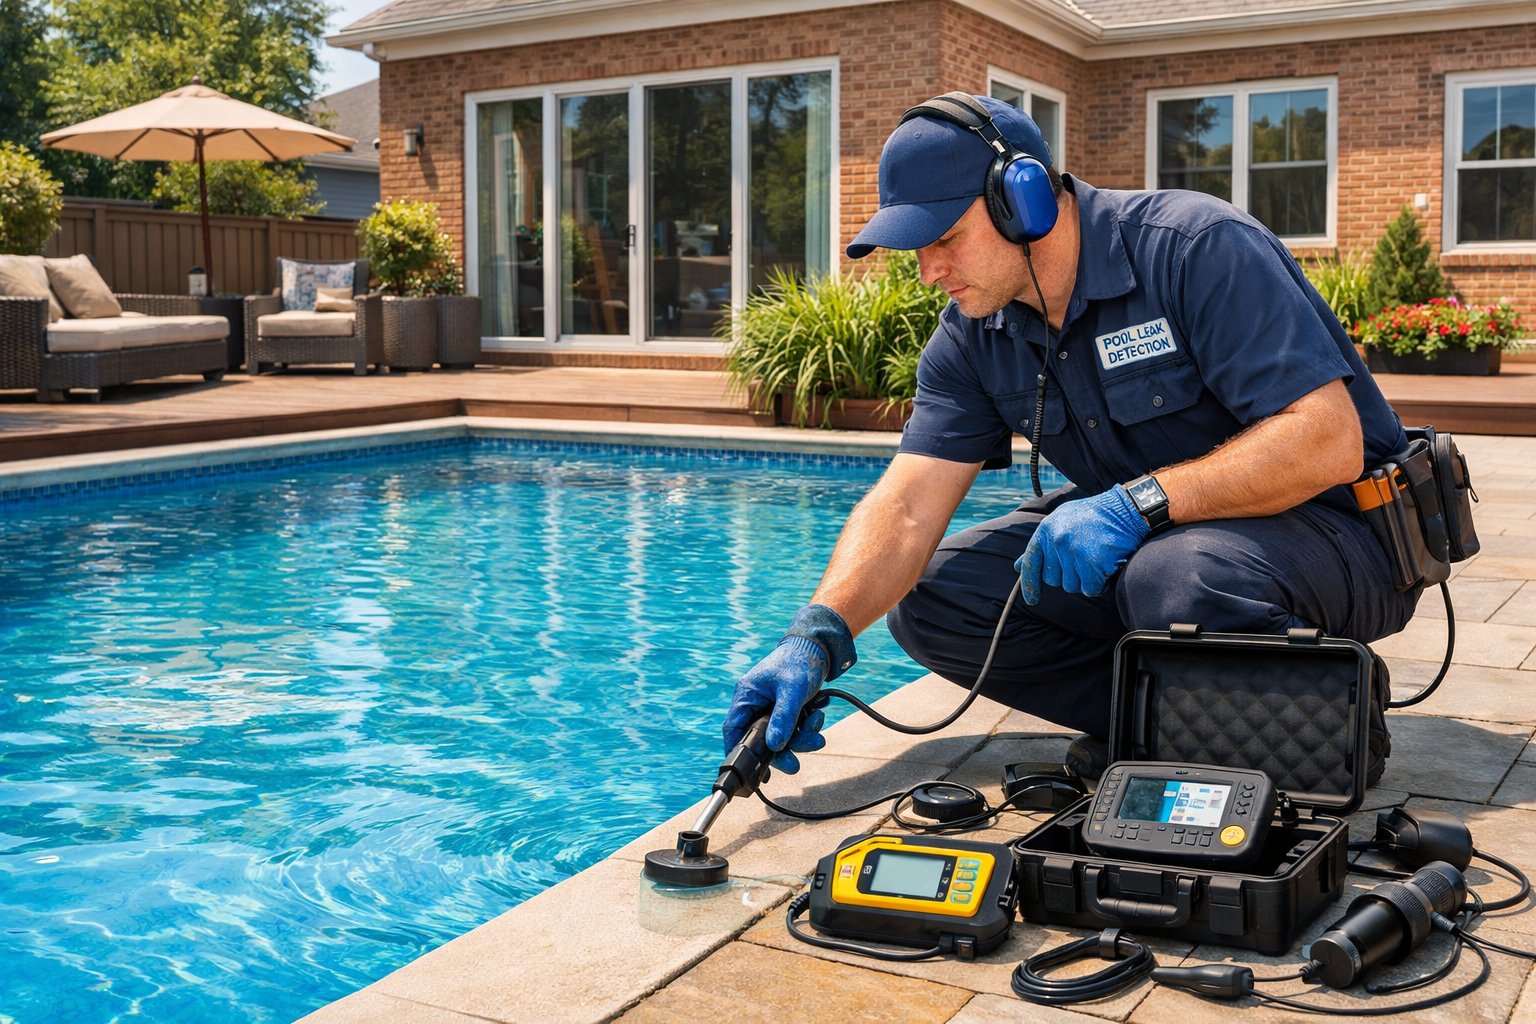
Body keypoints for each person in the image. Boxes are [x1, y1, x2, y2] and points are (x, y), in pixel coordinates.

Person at [722, 93, 1414, 784]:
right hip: (1172, 537)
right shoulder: (972, 334)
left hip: (1344, 529)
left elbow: (1326, 442)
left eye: (944, 239)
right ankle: (1170, 724)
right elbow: (907, 506)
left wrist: (1133, 505)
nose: (929, 272)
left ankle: (1328, 720)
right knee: (935, 596)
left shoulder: (1195, 247)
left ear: (1021, 200)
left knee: (1176, 576)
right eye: (917, 250)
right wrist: (816, 632)